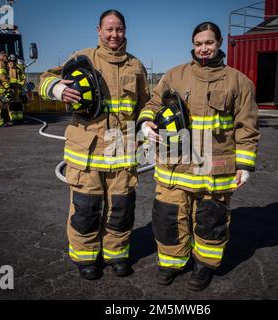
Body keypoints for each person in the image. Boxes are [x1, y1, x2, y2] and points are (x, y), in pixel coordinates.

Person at [137, 22, 260, 291]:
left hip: (215, 169)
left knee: (210, 220)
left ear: (219, 44)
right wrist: (146, 124)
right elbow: (153, 104)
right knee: (168, 217)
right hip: (174, 167)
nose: (203, 49)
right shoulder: (175, 75)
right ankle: (171, 263)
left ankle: (204, 266)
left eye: (209, 43)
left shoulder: (239, 82)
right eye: (198, 44)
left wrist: (244, 165)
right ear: (193, 45)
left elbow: (247, 127)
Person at [39, 10, 150, 280]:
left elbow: (146, 104)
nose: (114, 34)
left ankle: (117, 254)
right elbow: (45, 78)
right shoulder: (83, 57)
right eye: (109, 29)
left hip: (123, 151)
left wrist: (146, 125)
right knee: (86, 208)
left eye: (119, 29)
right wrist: (56, 89)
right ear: (98, 30)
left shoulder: (136, 66)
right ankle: (85, 257)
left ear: (125, 31)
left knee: (120, 209)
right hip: (86, 151)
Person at [7, 54, 26, 123]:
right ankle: (13, 119)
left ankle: (20, 119)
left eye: (13, 62)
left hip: (18, 90)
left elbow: (23, 77)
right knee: (11, 105)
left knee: (18, 104)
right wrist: (7, 87)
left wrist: (21, 84)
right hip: (10, 90)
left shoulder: (18, 69)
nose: (11, 63)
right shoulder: (6, 69)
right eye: (10, 62)